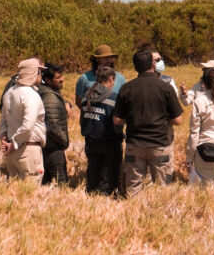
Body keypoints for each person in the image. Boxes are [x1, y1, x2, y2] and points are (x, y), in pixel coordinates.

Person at [112, 48, 184, 196]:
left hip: (135, 145)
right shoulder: (166, 88)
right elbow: (178, 120)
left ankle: (135, 216)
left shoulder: (126, 88)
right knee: (162, 190)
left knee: (133, 190)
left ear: (135, 66)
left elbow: (117, 120)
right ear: (152, 65)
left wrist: (134, 118)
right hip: (160, 145)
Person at [0, 58, 47, 182]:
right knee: (30, 192)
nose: (41, 76)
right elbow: (28, 125)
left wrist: (4, 139)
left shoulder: (9, 93)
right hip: (28, 151)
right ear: (33, 73)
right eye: (40, 72)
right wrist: (14, 143)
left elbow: (3, 120)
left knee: (16, 194)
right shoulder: (31, 95)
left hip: (12, 153)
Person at [80, 65, 124, 195]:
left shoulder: (86, 97)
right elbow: (117, 124)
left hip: (91, 143)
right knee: (109, 182)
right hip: (110, 144)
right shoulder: (114, 98)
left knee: (93, 180)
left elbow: (82, 121)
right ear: (111, 79)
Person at [38, 62, 72, 185]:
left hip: (47, 147)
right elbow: (51, 124)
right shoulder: (49, 97)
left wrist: (67, 103)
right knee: (62, 184)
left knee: (44, 183)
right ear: (47, 79)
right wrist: (64, 141)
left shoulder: (49, 92)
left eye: (61, 76)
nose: (62, 79)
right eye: (58, 78)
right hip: (53, 148)